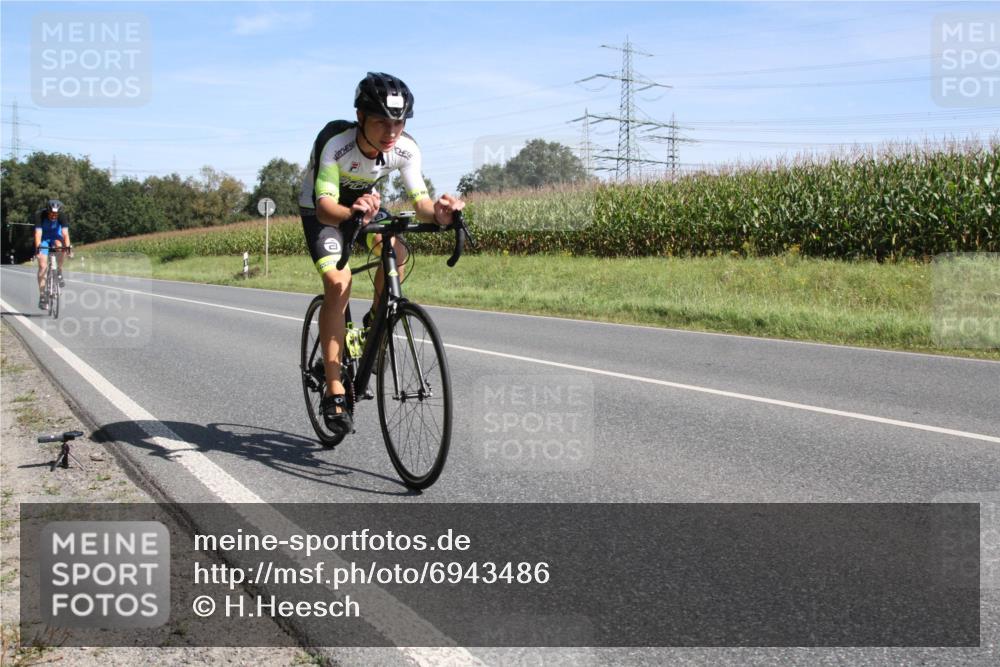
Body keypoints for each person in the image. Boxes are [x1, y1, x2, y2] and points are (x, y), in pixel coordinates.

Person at [298, 72, 464, 443]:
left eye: (399, 122)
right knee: (338, 283)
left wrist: (439, 212)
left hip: (367, 208)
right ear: (360, 117)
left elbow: (420, 201)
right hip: (321, 212)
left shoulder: (406, 149)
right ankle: (335, 387)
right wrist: (352, 213)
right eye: (381, 122)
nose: (392, 131)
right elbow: (326, 206)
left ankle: (376, 323)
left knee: (398, 250)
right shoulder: (335, 143)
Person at [34, 199, 72, 309]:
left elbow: (65, 234)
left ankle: (59, 271)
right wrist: (38, 249)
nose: (54, 216)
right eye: (52, 214)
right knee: (42, 266)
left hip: (56, 237)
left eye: (56, 214)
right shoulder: (39, 215)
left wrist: (68, 248)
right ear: (47, 211)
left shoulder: (62, 216)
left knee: (61, 247)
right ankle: (42, 296)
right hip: (44, 238)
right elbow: (38, 233)